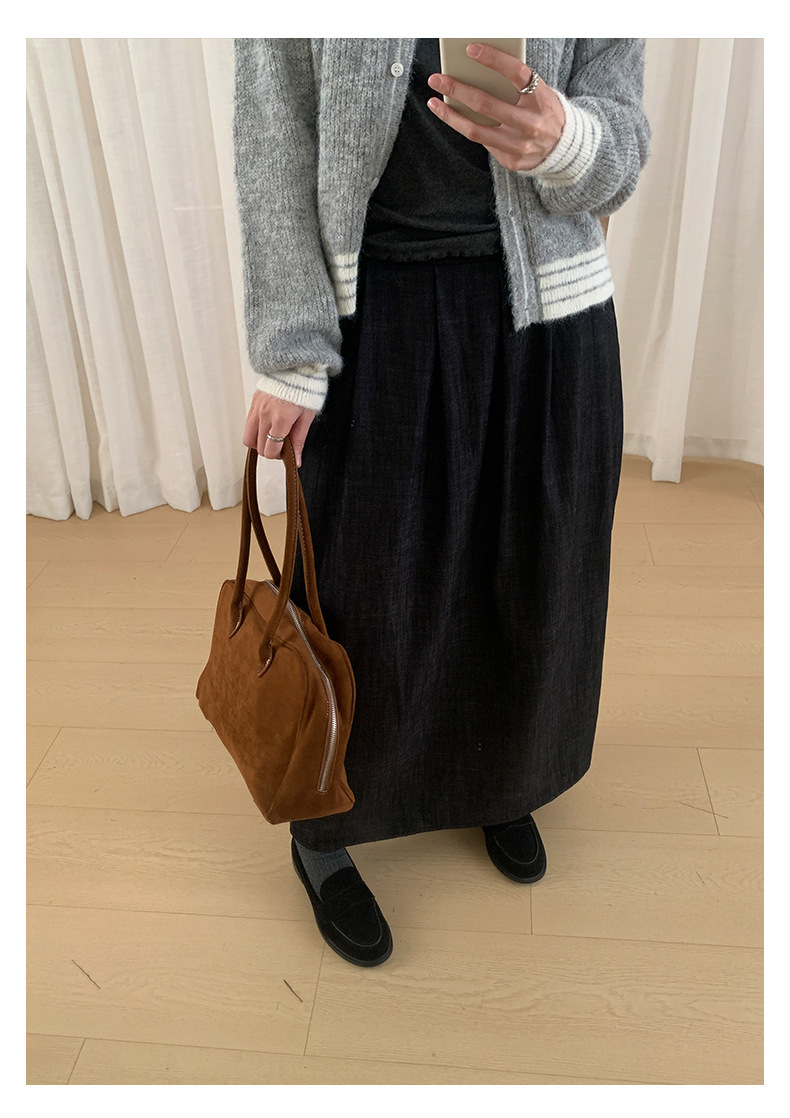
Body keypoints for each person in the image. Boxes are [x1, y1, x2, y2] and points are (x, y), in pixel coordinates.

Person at [232, 38, 651, 967]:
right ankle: (324, 828)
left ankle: (504, 776)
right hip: (373, 315)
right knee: (360, 594)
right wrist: (290, 351)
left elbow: (621, 145)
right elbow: (275, 138)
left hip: (550, 318)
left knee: (532, 577)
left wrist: (565, 140)